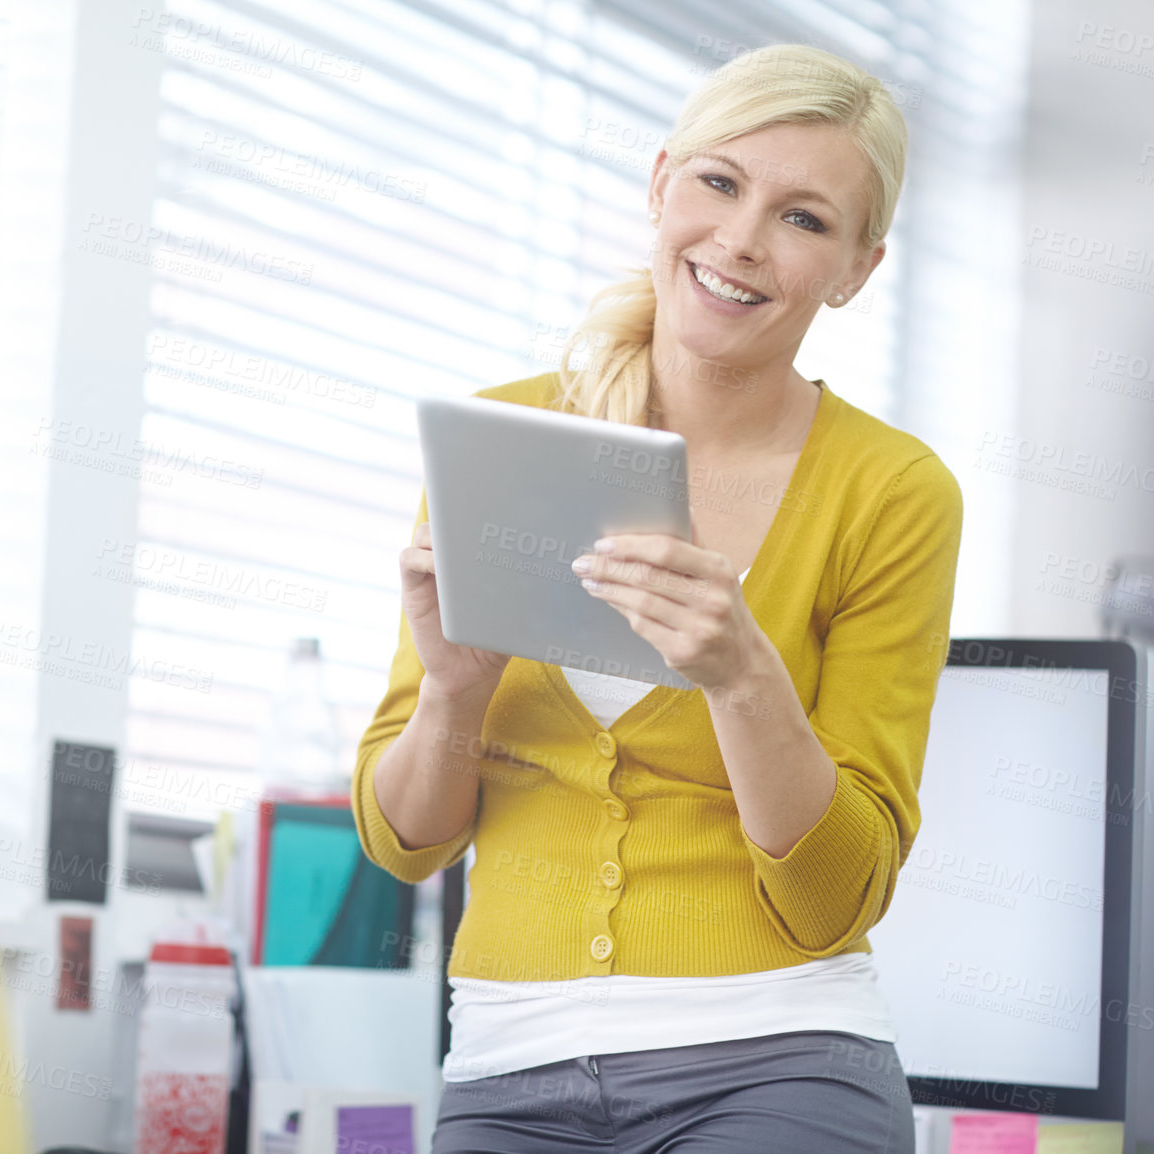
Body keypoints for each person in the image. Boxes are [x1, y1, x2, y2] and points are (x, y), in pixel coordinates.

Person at [351, 42, 962, 1153]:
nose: (739, 240)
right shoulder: (500, 437)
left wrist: (740, 674)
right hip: (505, 1066)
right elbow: (404, 844)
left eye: (803, 218)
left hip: (779, 1061)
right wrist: (452, 696)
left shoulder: (891, 491)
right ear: (660, 184)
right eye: (719, 183)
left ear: (855, 271)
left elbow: (838, 894)